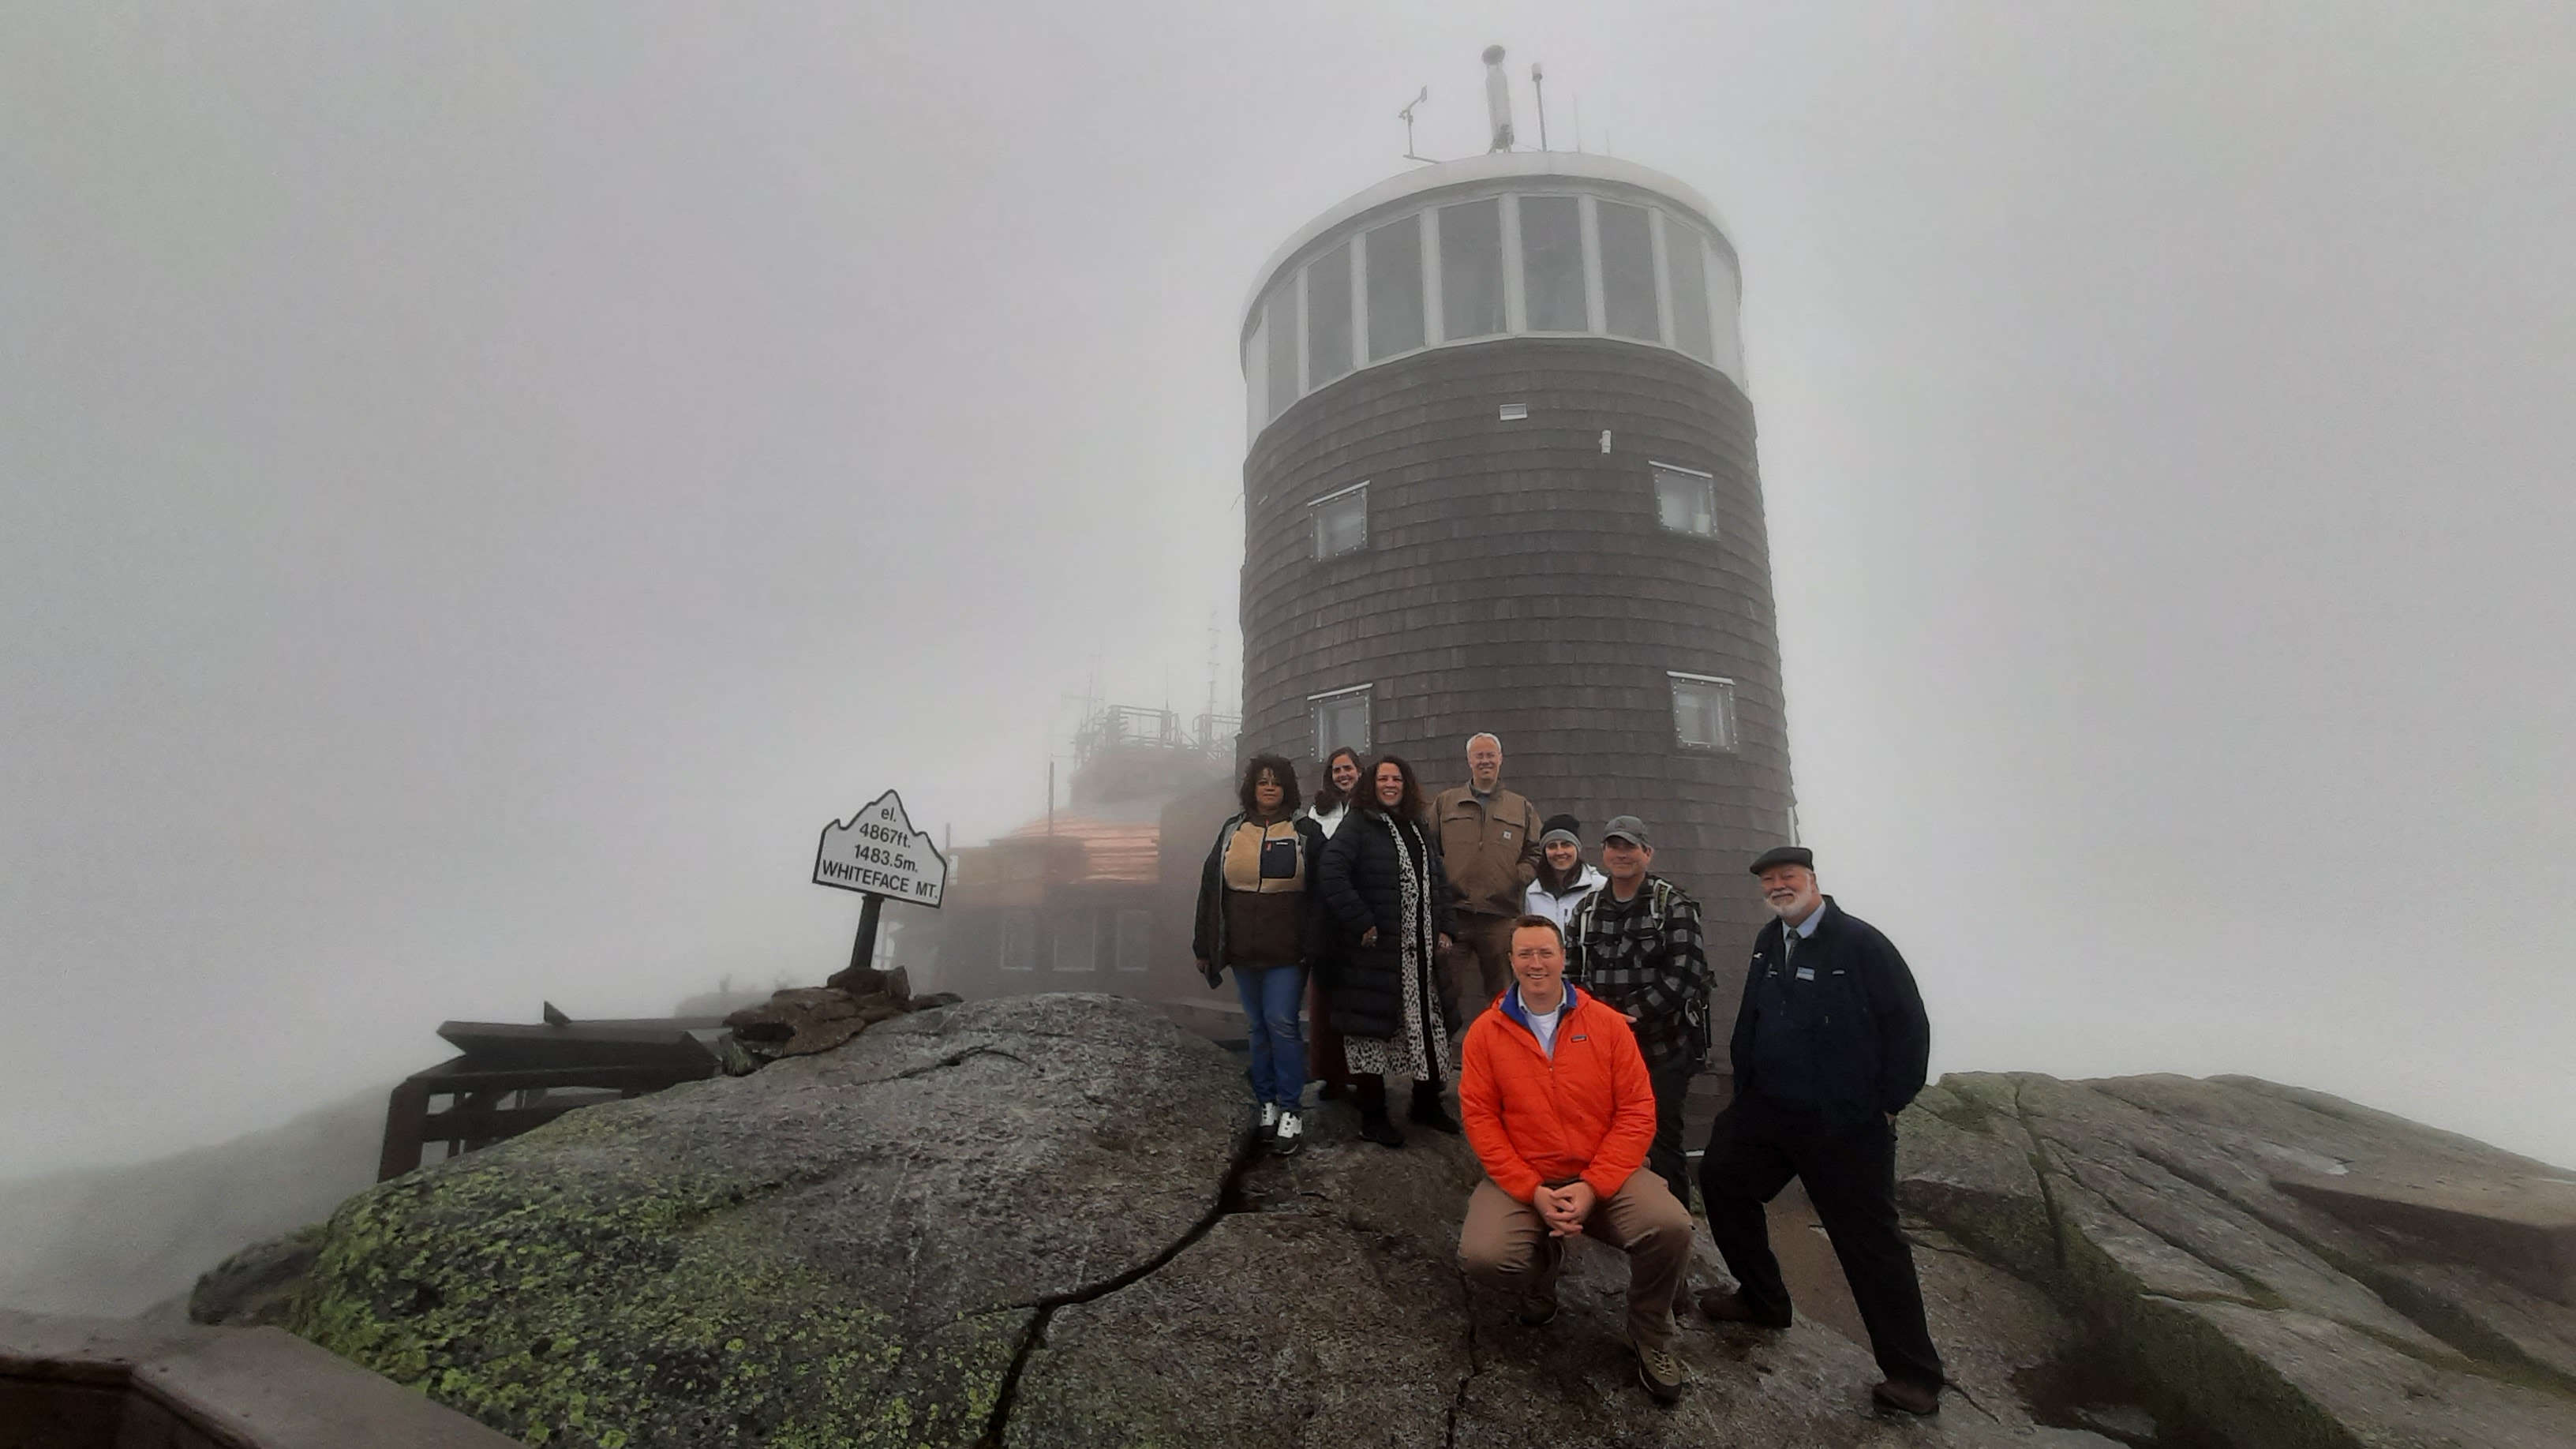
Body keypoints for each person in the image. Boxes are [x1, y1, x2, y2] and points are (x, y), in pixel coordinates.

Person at [1697, 846, 1945, 1417]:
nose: (1779, 887)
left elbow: (1910, 1025)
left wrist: (1888, 1106)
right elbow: (1753, 1017)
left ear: (1812, 880)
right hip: (1770, 1111)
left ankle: (1914, 1375)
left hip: (1844, 1123)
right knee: (1721, 1178)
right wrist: (1746, 1090)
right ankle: (1762, 1299)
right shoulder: (1768, 941)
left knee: (1870, 1243)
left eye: (1788, 877)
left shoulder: (1861, 943)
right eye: (1769, 881)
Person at [1457, 915, 1695, 1406]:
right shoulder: (1485, 1033)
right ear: (1511, 961)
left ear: (1565, 958)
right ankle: (1542, 1273)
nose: (1536, 963)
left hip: (1603, 1172)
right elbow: (1481, 1121)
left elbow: (1637, 1111)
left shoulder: (1606, 1025)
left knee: (1670, 1226)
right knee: (1484, 1257)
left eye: (1546, 952)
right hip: (1526, 1178)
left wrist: (1593, 1187)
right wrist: (1532, 1191)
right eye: (1525, 954)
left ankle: (1651, 1334)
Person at [1564, 816, 1713, 1228]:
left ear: (1647, 853)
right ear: (1603, 854)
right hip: (1603, 1052)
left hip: (1661, 1050)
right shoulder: (1586, 911)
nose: (1622, 854)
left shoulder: (1674, 907)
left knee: (1663, 1145)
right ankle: (1612, 1227)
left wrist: (1632, 1015)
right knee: (1602, 1139)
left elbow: (1685, 976)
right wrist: (1600, 1021)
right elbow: (1572, 976)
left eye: (1630, 847)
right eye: (1614, 846)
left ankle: (1675, 1239)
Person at [1317, 754, 1458, 1148]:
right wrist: (1362, 920)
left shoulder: (1417, 826)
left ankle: (1426, 1104)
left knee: (1428, 1027)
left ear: (1406, 784)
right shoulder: (1359, 825)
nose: (1390, 785)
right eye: (1383, 779)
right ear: (1371, 784)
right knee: (1370, 1032)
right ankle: (1373, 1116)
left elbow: (1439, 880)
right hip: (1376, 952)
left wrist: (1447, 926)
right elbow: (1331, 872)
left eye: (1397, 778)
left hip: (1422, 953)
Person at [1192, 754, 1328, 1155]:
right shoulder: (1232, 830)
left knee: (1281, 1023)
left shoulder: (1305, 832)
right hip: (1242, 950)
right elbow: (1209, 889)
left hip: (1288, 951)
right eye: (1262, 781)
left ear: (1287, 787)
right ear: (1251, 786)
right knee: (1257, 1027)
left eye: (1276, 782)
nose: (1268, 788)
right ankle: (1265, 1103)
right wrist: (1204, 947)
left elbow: (1322, 894)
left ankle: (1291, 1108)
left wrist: (1316, 945)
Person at [1432, 732, 1544, 1021]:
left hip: (1500, 915)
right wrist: (1444, 878)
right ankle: (1443, 1054)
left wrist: (1516, 876)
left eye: (1490, 755)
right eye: (1479, 756)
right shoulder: (1446, 803)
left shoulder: (1520, 807)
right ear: (1469, 761)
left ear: (1500, 760)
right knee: (1444, 989)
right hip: (1454, 915)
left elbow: (1536, 850)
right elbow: (1428, 848)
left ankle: (1505, 1050)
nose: (1485, 761)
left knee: (1503, 992)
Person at [1302, 745, 1365, 1102]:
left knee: (1359, 1002)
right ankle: (1331, 1074)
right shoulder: (1315, 816)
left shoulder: (1370, 811)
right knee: (1325, 1002)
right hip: (1324, 920)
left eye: (1349, 769)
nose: (1343, 775)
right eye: (1337, 770)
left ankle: (1362, 1075)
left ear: (1359, 771)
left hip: (1359, 918)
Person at [1521, 814, 1604, 935]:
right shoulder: (1533, 893)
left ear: (1577, 848)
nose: (1560, 852)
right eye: (1552, 846)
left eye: (1566, 845)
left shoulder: (1599, 887)